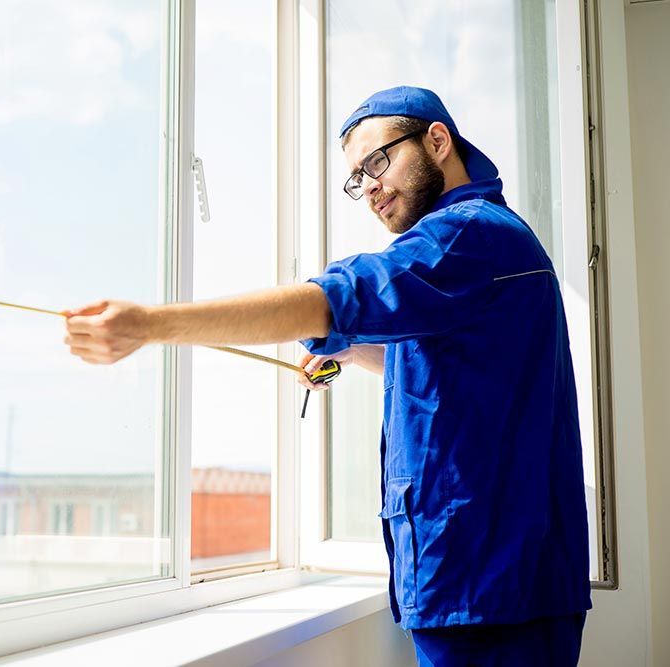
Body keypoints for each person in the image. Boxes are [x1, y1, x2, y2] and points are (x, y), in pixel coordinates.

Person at [61, 86, 591, 666]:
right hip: (489, 585)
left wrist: (148, 325)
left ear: (437, 141)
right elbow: (457, 367)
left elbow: (338, 298)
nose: (369, 188)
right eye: (357, 178)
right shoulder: (490, 244)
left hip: (491, 592)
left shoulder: (468, 235)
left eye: (377, 162)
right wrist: (350, 353)